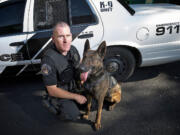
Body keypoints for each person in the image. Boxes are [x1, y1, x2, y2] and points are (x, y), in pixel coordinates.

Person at [41, 22, 87, 121]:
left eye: (68, 35)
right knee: (72, 115)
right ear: (53, 39)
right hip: (59, 91)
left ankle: (74, 102)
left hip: (73, 86)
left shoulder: (73, 50)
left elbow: (77, 69)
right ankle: (52, 103)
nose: (66, 40)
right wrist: (76, 97)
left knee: (94, 102)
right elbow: (52, 90)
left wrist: (82, 76)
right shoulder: (48, 60)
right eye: (61, 37)